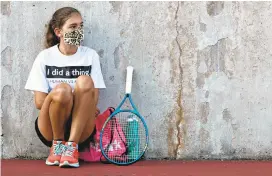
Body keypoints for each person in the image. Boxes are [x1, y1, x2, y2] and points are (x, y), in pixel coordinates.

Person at [25, 7, 106, 168]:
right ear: (58, 32)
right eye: (73, 26)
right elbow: (40, 102)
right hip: (50, 126)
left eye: (81, 26)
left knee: (84, 81)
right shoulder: (44, 57)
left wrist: (82, 100)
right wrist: (63, 96)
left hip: (81, 127)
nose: (79, 30)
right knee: (62, 90)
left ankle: (71, 148)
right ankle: (57, 145)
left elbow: (93, 99)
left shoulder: (90, 56)